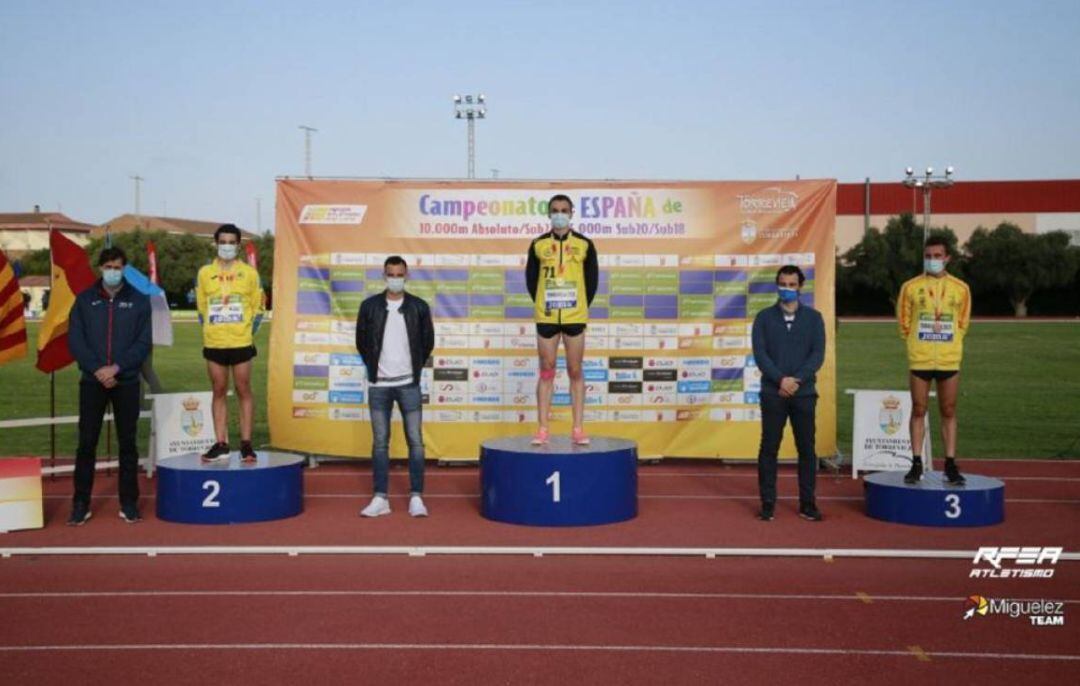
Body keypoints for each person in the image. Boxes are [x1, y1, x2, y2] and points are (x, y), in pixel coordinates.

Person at [67, 247, 152, 525]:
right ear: (100, 268)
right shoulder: (84, 300)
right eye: (107, 267)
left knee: (127, 444)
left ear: (124, 268)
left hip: (125, 381)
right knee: (86, 444)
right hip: (92, 381)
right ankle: (80, 503)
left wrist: (116, 368)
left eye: (117, 267)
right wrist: (98, 369)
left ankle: (129, 503)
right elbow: (76, 341)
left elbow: (143, 344)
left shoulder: (139, 301)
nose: (112, 272)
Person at [355, 256, 435, 517]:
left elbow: (427, 342)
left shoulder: (419, 307)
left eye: (400, 274)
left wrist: (412, 371)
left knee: (416, 441)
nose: (395, 279)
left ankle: (416, 497)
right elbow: (362, 343)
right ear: (384, 275)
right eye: (391, 274)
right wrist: (375, 370)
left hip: (408, 385)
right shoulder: (369, 307)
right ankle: (380, 498)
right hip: (378, 386)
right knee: (380, 443)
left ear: (406, 275)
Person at [751, 265, 826, 522]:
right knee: (769, 449)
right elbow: (761, 355)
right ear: (777, 286)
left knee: (806, 450)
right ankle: (768, 503)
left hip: (804, 394)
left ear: (800, 287)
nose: (787, 289)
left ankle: (807, 503)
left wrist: (798, 380)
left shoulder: (814, 319)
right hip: (773, 394)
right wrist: (780, 380)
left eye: (792, 285)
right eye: (783, 284)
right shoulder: (763, 318)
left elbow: (817, 355)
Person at [897, 236, 972, 486]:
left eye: (937, 256)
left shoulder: (961, 288)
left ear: (947, 258)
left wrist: (950, 343)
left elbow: (963, 323)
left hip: (949, 359)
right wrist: (916, 344)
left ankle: (950, 464)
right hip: (921, 357)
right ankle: (916, 462)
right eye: (928, 256)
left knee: (948, 410)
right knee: (919, 409)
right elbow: (904, 322)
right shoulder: (910, 287)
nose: (932, 260)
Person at [525, 194, 599, 446]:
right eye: (555, 210)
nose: (559, 214)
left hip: (574, 317)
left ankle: (577, 428)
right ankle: (543, 428)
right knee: (547, 371)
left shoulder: (584, 244)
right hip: (546, 317)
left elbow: (592, 282)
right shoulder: (538, 244)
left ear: (571, 213)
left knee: (575, 370)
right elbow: (530, 281)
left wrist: (577, 306)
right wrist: (545, 304)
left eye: (564, 210)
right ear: (548, 214)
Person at [196, 224, 263, 464]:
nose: (226, 246)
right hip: (214, 342)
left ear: (238, 245)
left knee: (244, 389)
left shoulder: (249, 273)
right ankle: (221, 443)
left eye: (231, 242)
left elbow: (258, 306)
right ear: (216, 244)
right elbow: (202, 307)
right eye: (222, 242)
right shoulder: (204, 273)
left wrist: (246, 332)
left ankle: (246, 444)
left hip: (241, 342)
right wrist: (209, 330)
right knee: (219, 390)